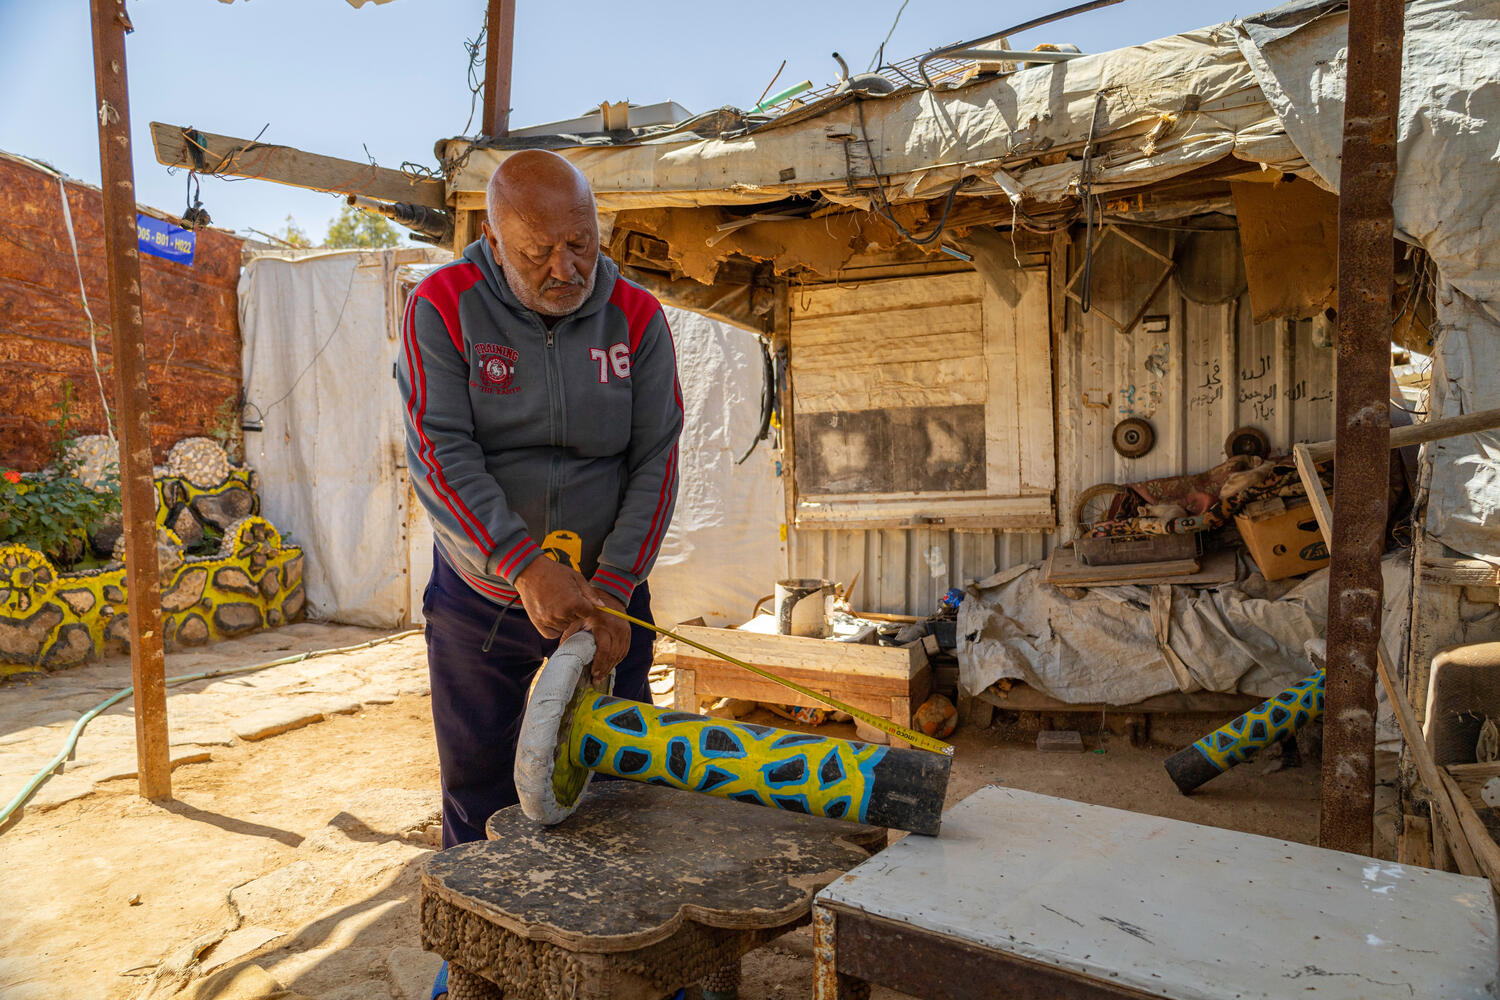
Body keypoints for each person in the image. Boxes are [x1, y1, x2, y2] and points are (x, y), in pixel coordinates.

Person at [398, 149, 682, 854]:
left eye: (580, 245)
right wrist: (520, 564)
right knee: (477, 781)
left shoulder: (638, 318)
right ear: (494, 243)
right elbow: (439, 452)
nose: (565, 269)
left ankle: (621, 929)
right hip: (482, 596)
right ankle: (482, 950)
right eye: (537, 252)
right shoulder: (441, 306)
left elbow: (657, 459)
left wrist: (613, 590)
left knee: (618, 775)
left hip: (609, 595)